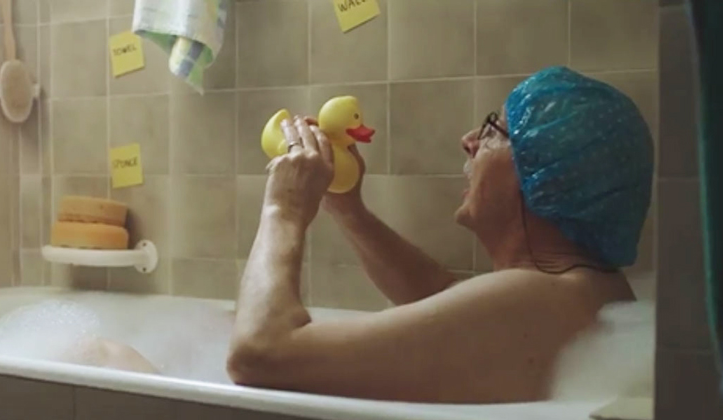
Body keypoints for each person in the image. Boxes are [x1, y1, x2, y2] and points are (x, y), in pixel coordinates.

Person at [227, 66, 654, 403]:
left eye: (494, 131)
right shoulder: (585, 289)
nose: (468, 140)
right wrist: (348, 209)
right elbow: (445, 302)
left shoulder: (540, 303)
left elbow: (260, 353)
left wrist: (282, 208)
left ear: (547, 174)